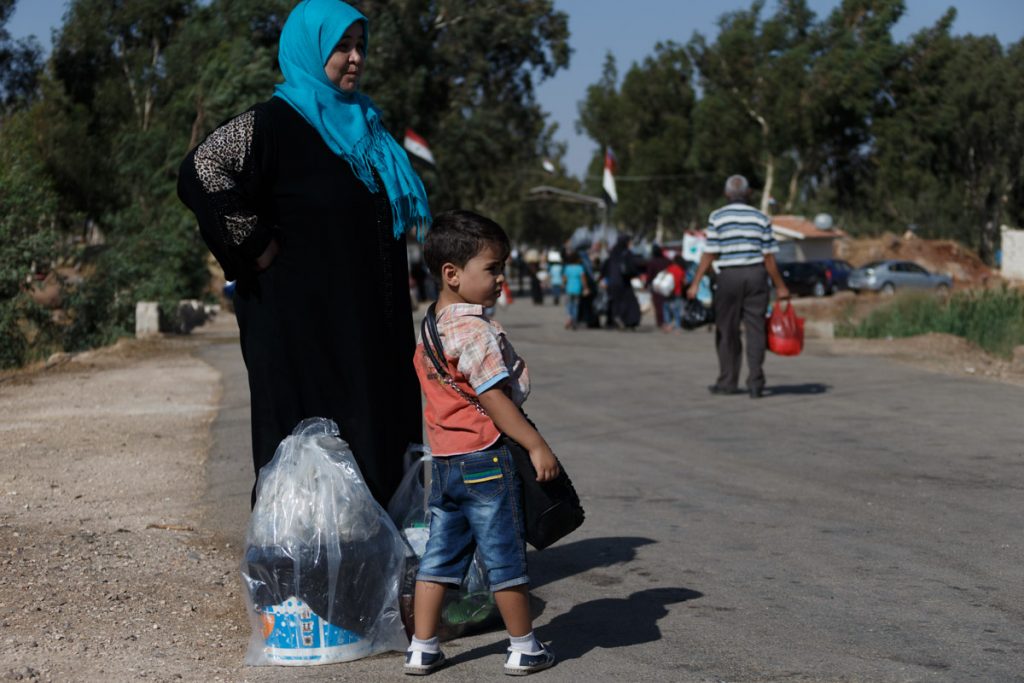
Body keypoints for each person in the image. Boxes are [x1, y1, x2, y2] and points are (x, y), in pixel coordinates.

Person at [177, 0, 430, 506]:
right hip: (300, 329)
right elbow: (202, 170)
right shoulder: (273, 124)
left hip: (372, 328)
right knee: (312, 455)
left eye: (361, 46)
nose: (355, 58)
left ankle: (374, 564)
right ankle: (303, 573)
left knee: (380, 434)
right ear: (310, 50)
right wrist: (256, 245)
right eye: (342, 46)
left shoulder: (368, 129)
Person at [407, 210, 558, 676]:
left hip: (447, 462)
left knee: (438, 559)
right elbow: (492, 397)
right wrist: (535, 444)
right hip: (485, 460)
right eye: (492, 269)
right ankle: (523, 645)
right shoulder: (474, 330)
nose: (500, 279)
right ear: (452, 274)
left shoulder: (432, 324)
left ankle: (422, 647)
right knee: (504, 556)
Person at [686, 175, 789, 398]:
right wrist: (781, 287)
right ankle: (755, 382)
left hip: (728, 278)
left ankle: (727, 382)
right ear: (749, 193)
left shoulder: (717, 217)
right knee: (755, 329)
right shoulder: (761, 218)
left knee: (726, 329)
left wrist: (695, 283)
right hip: (756, 277)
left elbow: (710, 253)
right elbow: (769, 258)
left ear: (726, 195)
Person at [644, 244, 671, 328]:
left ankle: (660, 322)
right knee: (666, 303)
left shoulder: (653, 262)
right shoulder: (667, 261)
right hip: (667, 285)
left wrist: (646, 284)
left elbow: (649, 274)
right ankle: (667, 320)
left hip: (656, 287)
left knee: (658, 305)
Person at [562, 250, 589, 329]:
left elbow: (564, 279)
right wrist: (586, 288)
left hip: (569, 289)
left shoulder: (567, 268)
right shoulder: (580, 268)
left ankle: (569, 318)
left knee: (568, 305)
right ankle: (574, 320)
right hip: (577, 289)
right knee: (575, 306)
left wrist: (564, 284)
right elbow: (583, 279)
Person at [661, 255, 687, 332]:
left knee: (666, 308)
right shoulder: (681, 270)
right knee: (676, 310)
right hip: (677, 292)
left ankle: (667, 324)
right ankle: (677, 326)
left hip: (668, 292)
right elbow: (684, 282)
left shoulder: (669, 268)